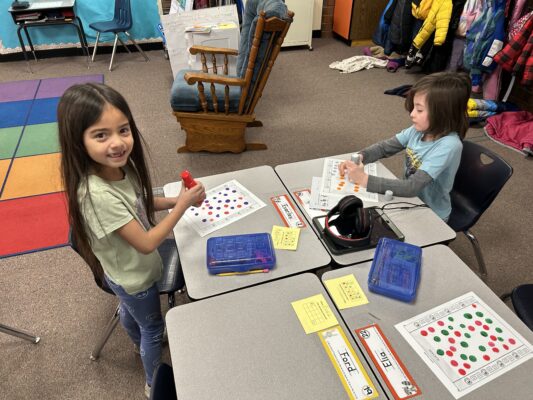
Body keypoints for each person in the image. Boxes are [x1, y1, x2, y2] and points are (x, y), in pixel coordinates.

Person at [57, 83, 205, 398]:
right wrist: (181, 206)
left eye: (123, 130)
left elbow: (139, 201)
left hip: (125, 275)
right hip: (134, 278)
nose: (117, 143)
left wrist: (174, 199)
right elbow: (148, 243)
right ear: (77, 142)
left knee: (130, 310)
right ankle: (153, 380)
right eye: (101, 135)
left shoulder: (117, 170)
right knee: (153, 329)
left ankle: (136, 335)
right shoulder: (96, 195)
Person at [340, 71, 471, 221]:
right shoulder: (418, 130)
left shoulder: (449, 145)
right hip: (410, 200)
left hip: (431, 212)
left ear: (443, 113)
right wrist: (360, 157)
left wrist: (364, 179)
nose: (412, 114)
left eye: (419, 110)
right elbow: (384, 148)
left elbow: (411, 187)